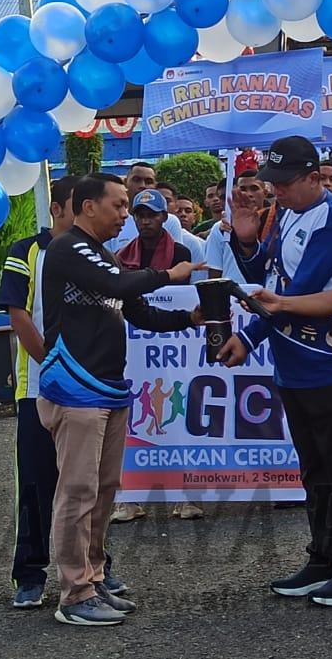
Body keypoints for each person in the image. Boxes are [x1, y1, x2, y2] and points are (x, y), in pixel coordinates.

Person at [216, 136, 332, 608]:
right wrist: (245, 241)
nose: (276, 191)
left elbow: (296, 294)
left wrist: (246, 339)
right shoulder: (286, 215)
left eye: (285, 183)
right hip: (293, 366)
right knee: (316, 470)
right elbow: (267, 277)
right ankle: (324, 557)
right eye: (272, 183)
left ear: (314, 177)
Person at [37, 174, 203, 628]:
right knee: (77, 492)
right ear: (88, 206)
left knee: (105, 490)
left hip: (108, 389)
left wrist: (191, 316)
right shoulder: (68, 248)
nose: (125, 215)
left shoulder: (102, 254)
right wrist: (170, 274)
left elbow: (139, 311)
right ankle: (74, 593)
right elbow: (125, 287)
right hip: (75, 388)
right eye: (119, 205)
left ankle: (94, 575)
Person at [0, 177, 95, 610]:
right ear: (56, 209)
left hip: (88, 391)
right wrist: (50, 364)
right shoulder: (25, 251)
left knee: (85, 486)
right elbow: (18, 314)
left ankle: (94, 568)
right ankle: (30, 574)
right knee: (36, 484)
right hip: (36, 387)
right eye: (79, 209)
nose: (86, 219)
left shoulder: (92, 251)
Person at [114, 189, 202, 522]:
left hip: (176, 347)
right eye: (140, 215)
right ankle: (129, 498)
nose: (146, 221)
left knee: (181, 418)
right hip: (138, 353)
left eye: (152, 215)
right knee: (137, 423)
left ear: (165, 217)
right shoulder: (123, 256)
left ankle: (188, 495)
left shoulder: (182, 251)